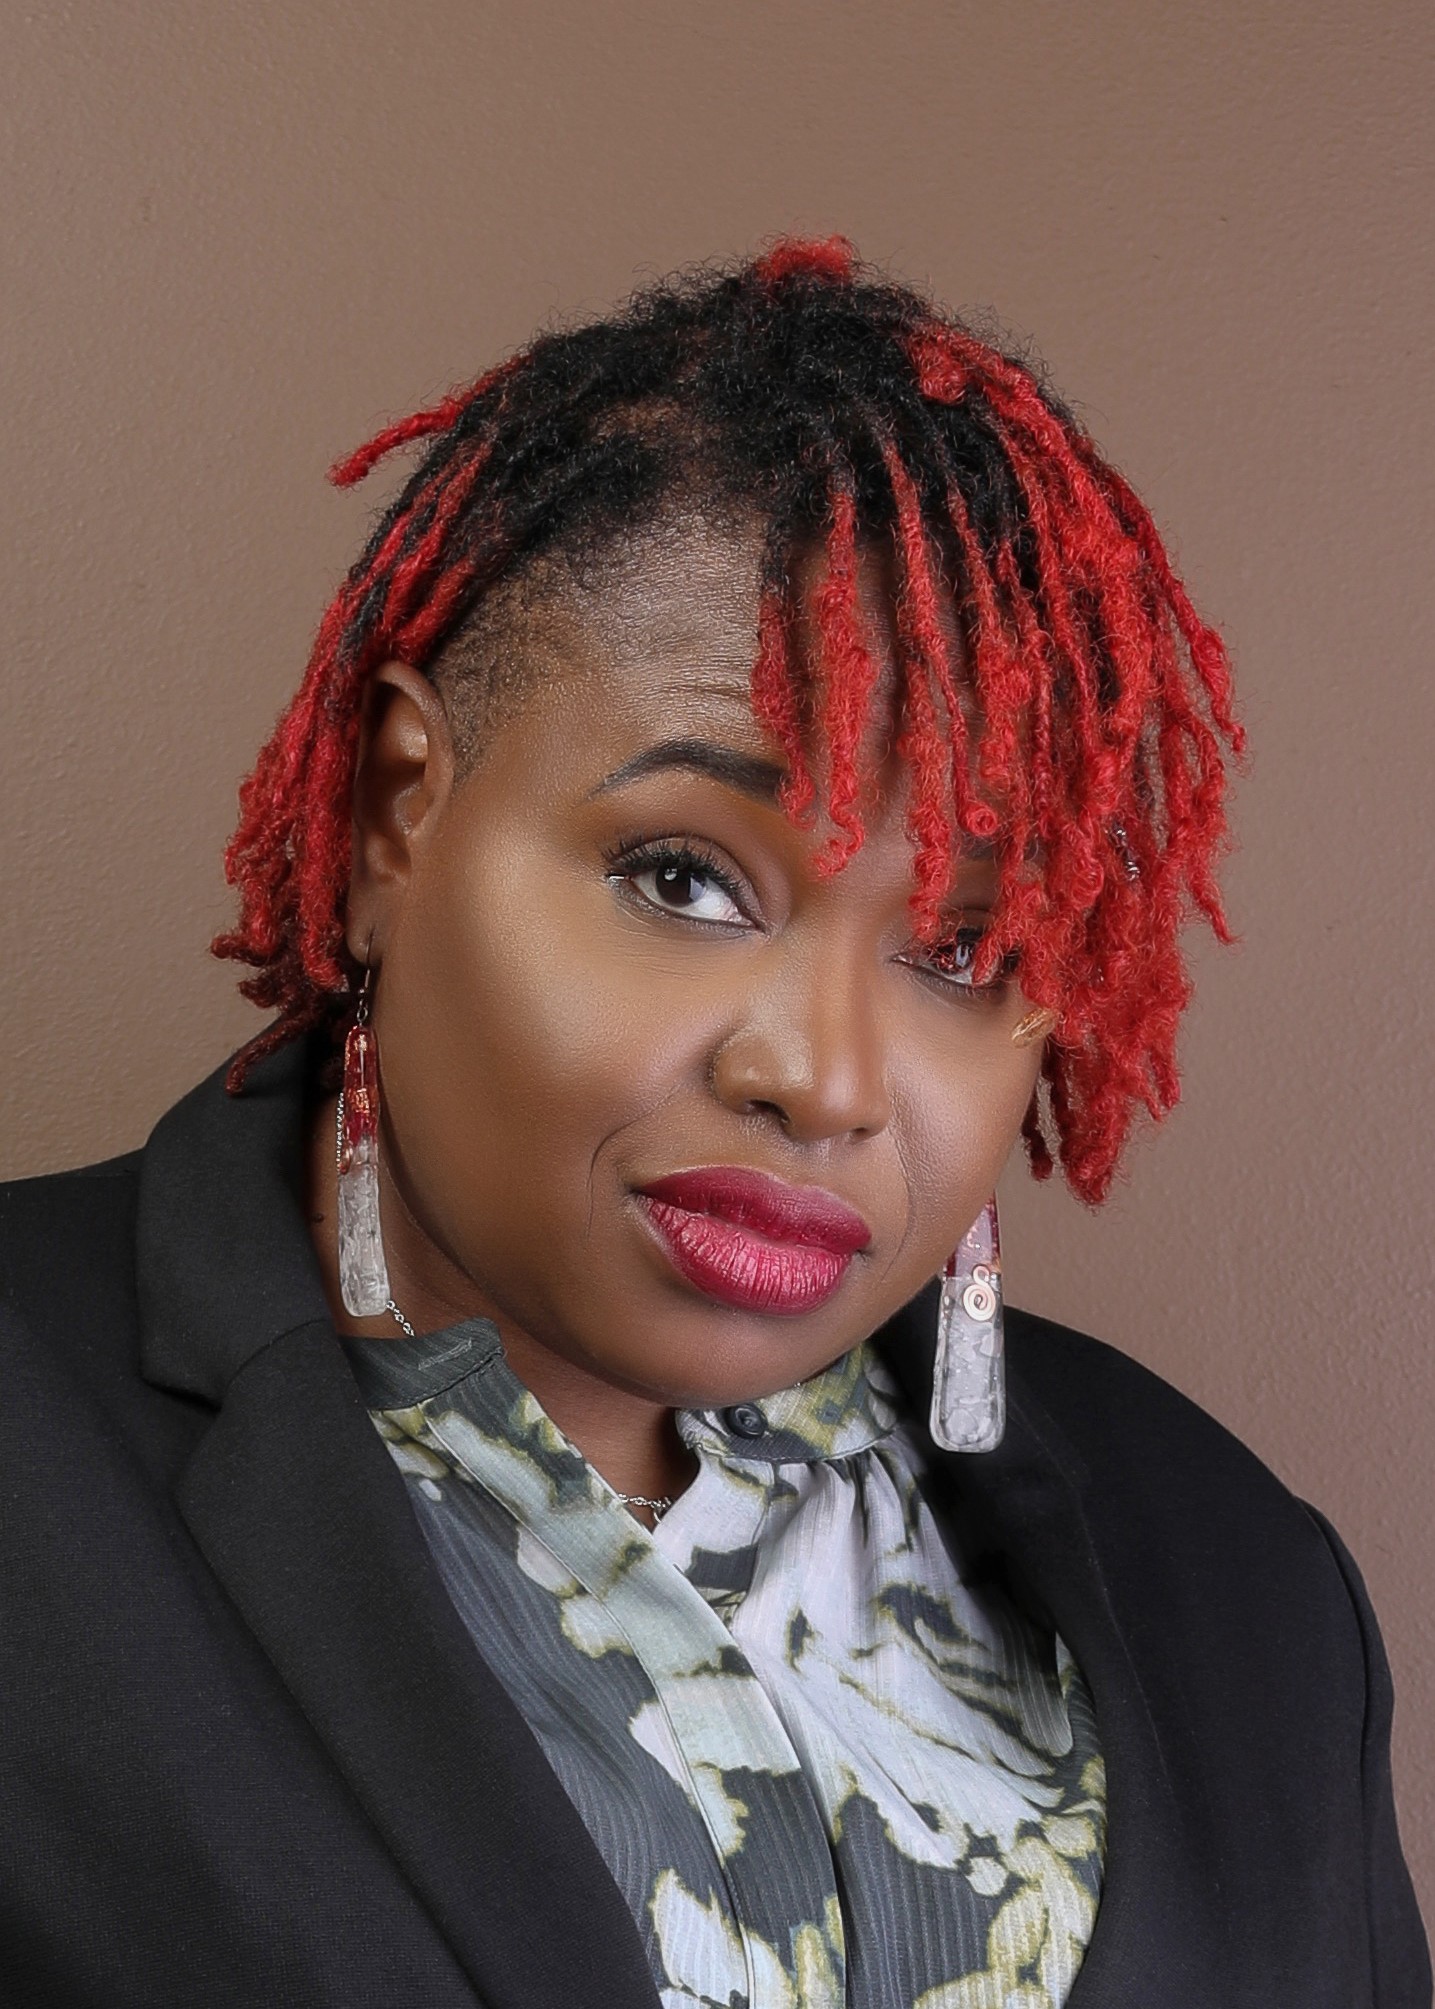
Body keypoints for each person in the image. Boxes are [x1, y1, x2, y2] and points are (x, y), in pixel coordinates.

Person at [0, 238, 1426, 2009]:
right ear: (394, 815)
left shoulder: (1250, 1585)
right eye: (684, 876)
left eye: (962, 949)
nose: (827, 1077)